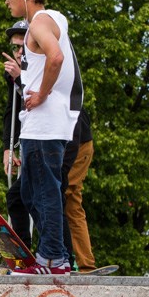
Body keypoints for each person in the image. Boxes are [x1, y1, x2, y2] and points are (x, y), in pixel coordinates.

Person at [0, 0, 83, 275]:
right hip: (40, 127)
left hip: (45, 126)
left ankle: (52, 258)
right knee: (28, 193)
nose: (7, 3)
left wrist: (42, 94)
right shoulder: (52, 20)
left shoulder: (41, 22)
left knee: (44, 192)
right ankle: (52, 254)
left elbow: (55, 57)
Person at [1, 19, 32, 247]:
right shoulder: (12, 75)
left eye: (23, 46)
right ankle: (25, 252)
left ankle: (61, 257)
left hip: (56, 140)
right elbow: (11, 111)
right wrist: (7, 149)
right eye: (15, 47)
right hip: (29, 140)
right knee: (17, 196)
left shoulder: (38, 67)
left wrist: (20, 77)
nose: (18, 52)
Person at [61, 109, 96, 271]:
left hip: (77, 144)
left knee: (55, 196)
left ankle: (61, 258)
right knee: (72, 206)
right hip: (65, 144)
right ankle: (85, 264)